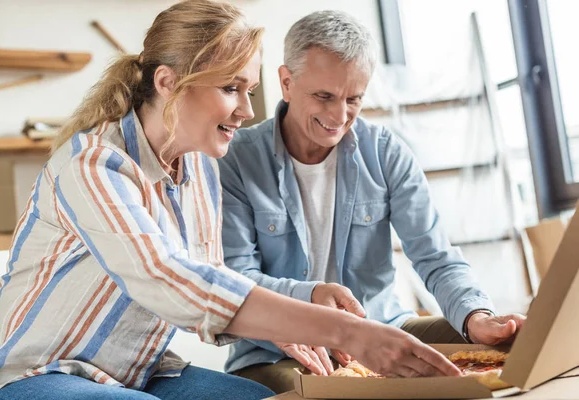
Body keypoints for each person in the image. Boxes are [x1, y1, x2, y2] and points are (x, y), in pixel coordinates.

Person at [0, 2, 463, 400]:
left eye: (249, 90)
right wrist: (348, 332)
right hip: (42, 377)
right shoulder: (94, 165)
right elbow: (170, 280)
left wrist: (304, 300)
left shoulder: (200, 170)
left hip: (147, 372)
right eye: (231, 88)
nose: (248, 110)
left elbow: (217, 276)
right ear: (168, 83)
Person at [219, 10, 526, 394]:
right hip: (278, 351)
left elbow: (435, 257)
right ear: (286, 82)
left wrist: (476, 316)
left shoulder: (386, 153)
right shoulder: (235, 160)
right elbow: (237, 280)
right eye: (324, 96)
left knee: (508, 348)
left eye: (354, 98)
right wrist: (314, 306)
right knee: (309, 393)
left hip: (385, 329)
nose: (339, 115)